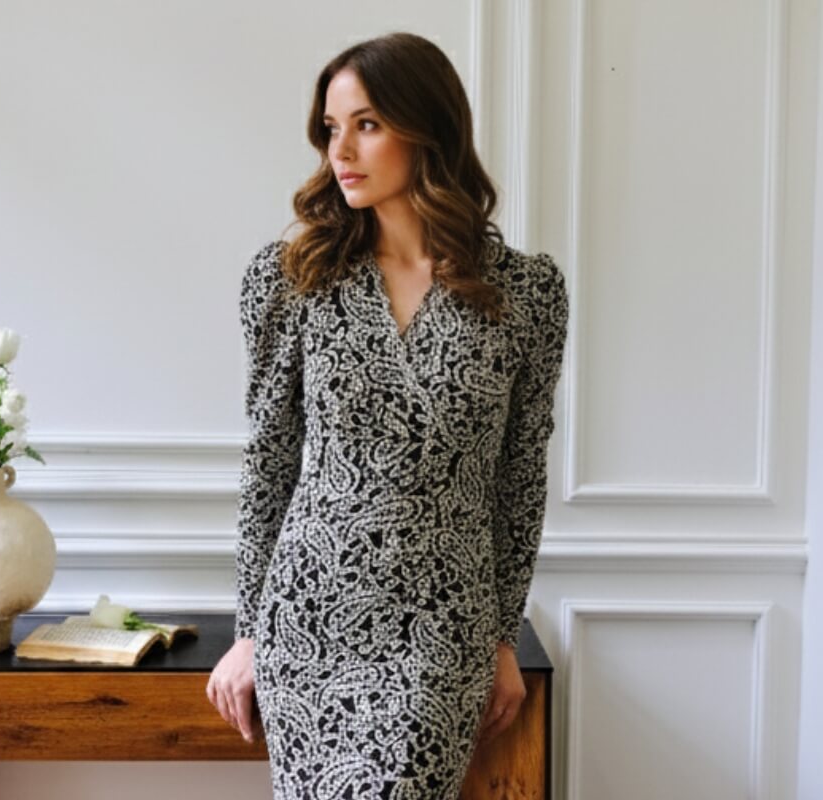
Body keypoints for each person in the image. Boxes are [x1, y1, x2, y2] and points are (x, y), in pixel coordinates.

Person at [206, 30, 569, 799]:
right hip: (310, 617)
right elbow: (269, 463)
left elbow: (520, 478)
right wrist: (248, 631)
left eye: (367, 124)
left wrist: (502, 635)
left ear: (427, 127)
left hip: (444, 627)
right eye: (332, 129)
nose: (343, 150)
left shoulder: (525, 293)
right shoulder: (292, 282)